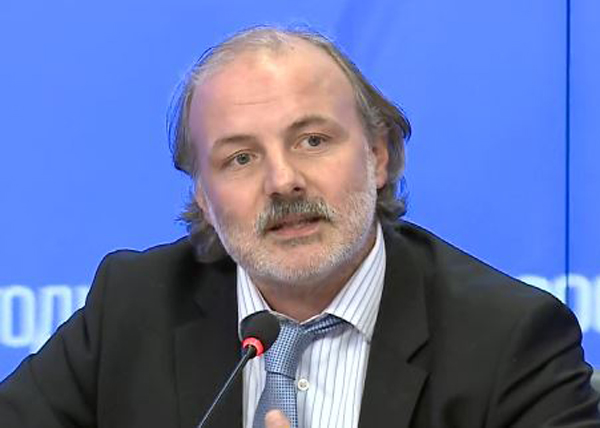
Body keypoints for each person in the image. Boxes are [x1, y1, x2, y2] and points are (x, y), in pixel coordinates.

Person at [0, 26, 599, 428]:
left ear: (378, 155)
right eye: (240, 158)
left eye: (312, 140)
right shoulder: (134, 307)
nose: (283, 181)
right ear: (203, 197)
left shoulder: (508, 338)